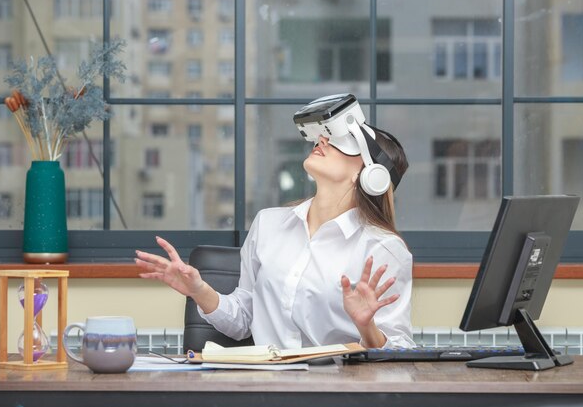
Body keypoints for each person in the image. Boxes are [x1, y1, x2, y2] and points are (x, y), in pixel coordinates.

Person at [135, 97, 414, 350]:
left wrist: (367, 327)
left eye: (343, 142)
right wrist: (199, 290)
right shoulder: (268, 224)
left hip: (336, 389)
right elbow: (244, 320)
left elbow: (401, 349)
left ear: (371, 175)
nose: (323, 141)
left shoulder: (383, 249)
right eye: (324, 136)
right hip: (268, 385)